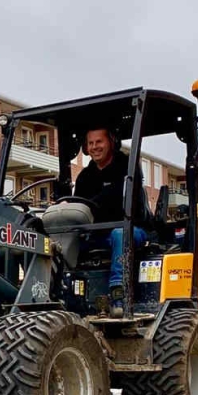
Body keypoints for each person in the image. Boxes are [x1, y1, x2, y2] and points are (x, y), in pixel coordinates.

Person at [74, 127, 151, 315]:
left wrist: (92, 203)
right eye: (90, 143)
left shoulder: (127, 167)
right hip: (98, 234)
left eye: (99, 142)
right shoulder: (85, 177)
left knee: (120, 234)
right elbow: (79, 206)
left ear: (111, 142)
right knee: (66, 242)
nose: (94, 147)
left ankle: (119, 294)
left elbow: (118, 195)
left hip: (132, 230)